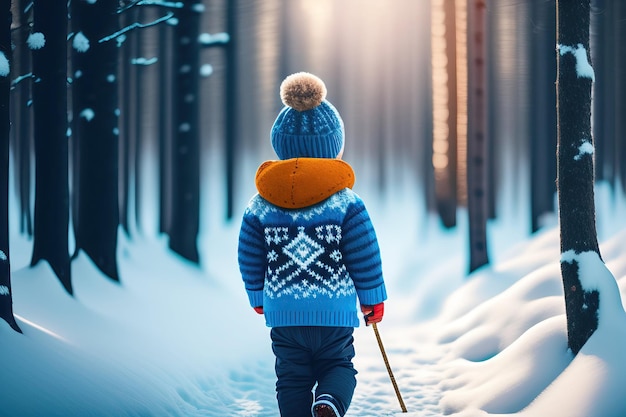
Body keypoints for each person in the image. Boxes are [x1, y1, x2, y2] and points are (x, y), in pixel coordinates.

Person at [238, 72, 387, 417]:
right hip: (333, 313)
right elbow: (364, 254)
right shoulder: (345, 203)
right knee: (339, 366)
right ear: (334, 145)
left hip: (284, 314)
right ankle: (329, 403)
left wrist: (257, 297)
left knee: (291, 379)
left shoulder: (260, 204)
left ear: (280, 143)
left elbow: (249, 255)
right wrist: (373, 298)